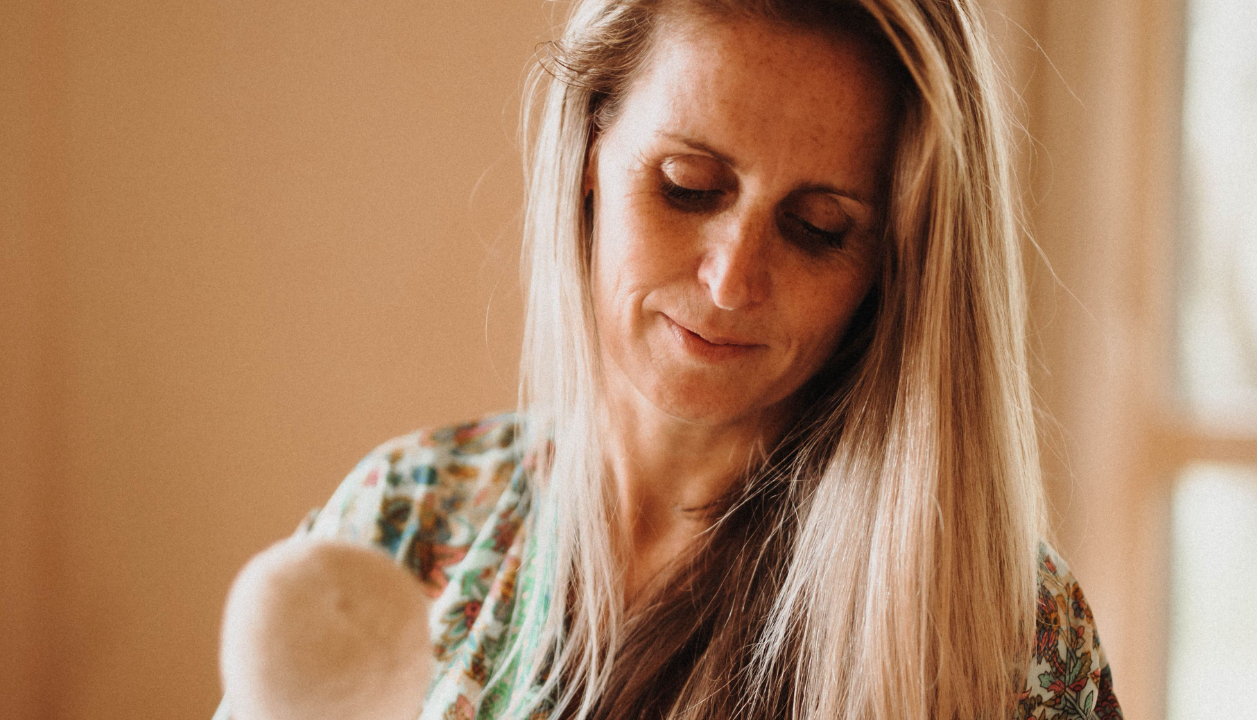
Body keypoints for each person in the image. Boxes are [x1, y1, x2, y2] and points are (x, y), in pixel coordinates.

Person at [215, 0, 1123, 718]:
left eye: (817, 228)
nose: (731, 281)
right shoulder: (408, 517)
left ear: (892, 264)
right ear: (589, 153)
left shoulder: (1002, 631)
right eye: (689, 187)